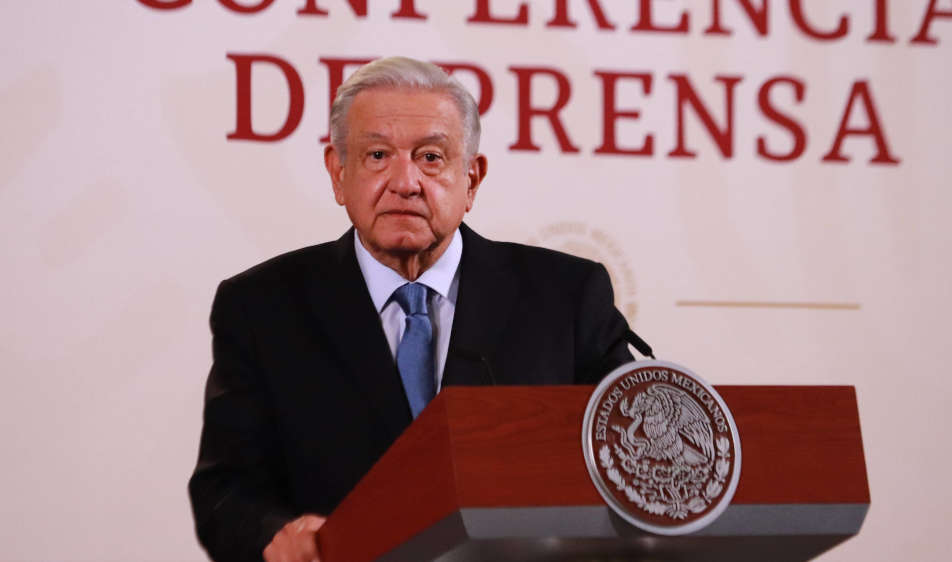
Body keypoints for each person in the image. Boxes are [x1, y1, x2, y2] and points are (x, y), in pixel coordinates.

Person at [189, 57, 634, 562]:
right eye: (377, 155)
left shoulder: (565, 296)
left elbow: (636, 460)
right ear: (339, 173)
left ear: (472, 179)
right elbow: (225, 489)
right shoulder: (262, 307)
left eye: (430, 158)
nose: (405, 182)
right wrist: (277, 534)